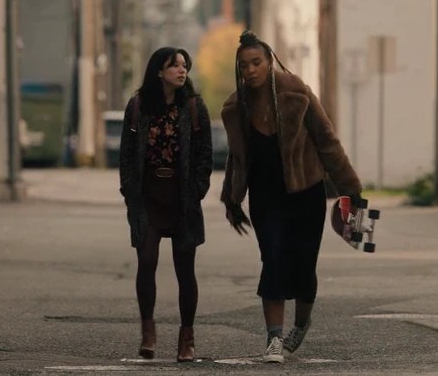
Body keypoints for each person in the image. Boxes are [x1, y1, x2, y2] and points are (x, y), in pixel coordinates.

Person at [220, 31, 363, 363]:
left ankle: (300, 324)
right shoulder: (235, 107)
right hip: (265, 197)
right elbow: (237, 158)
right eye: (244, 66)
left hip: (306, 192)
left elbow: (327, 140)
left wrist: (350, 188)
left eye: (256, 62)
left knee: (303, 264)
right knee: (272, 260)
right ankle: (274, 338)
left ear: (269, 62)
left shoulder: (297, 93)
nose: (250, 70)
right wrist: (231, 200)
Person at [119, 47, 213, 362]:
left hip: (182, 197)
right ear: (159, 71)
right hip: (148, 197)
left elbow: (204, 154)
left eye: (184, 65)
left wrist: (198, 189)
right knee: (146, 261)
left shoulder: (194, 107)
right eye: (174, 66)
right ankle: (148, 332)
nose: (181, 70)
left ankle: (187, 339)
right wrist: (130, 192)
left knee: (185, 268)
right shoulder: (138, 106)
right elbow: (127, 153)